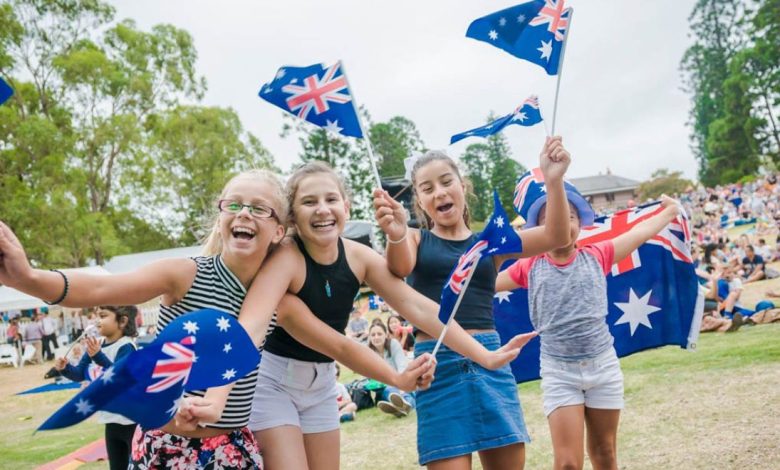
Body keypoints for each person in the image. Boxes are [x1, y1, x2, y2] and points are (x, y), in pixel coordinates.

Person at [0, 169, 435, 470]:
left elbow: (340, 346)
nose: (245, 213)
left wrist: (398, 379)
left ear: (279, 230)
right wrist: (29, 278)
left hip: (233, 448)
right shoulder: (185, 273)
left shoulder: (277, 300)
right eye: (235, 205)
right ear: (222, 214)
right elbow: (100, 288)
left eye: (260, 209)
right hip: (166, 446)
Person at [190, 161, 533, 470]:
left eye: (331, 199)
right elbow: (252, 326)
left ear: (346, 206)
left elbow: (419, 307)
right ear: (291, 217)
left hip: (322, 383)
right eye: (309, 202)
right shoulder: (287, 258)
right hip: (274, 382)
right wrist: (217, 395)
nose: (322, 209)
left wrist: (484, 355)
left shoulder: (359, 256)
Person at [372, 137, 572, 469]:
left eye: (446, 181)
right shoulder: (415, 238)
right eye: (427, 188)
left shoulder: (492, 241)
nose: (439, 192)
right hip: (437, 369)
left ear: (463, 186)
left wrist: (554, 181)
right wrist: (395, 233)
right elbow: (400, 267)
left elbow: (556, 236)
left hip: (489, 360)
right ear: (419, 201)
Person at [496, 190, 684, 470]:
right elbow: (484, 285)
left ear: (580, 224)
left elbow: (640, 233)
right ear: (539, 231)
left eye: (569, 216)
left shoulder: (599, 254)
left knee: (605, 453)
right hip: (559, 373)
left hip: (603, 368)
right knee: (568, 464)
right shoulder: (529, 266)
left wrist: (670, 211)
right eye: (550, 219)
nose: (562, 223)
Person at [55, 306, 139, 470]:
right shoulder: (97, 345)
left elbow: (119, 377)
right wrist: (64, 368)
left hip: (131, 422)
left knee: (136, 466)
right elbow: (80, 373)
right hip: (111, 419)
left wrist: (98, 356)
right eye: (96, 316)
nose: (97, 321)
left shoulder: (126, 347)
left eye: (103, 316)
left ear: (122, 321)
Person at [367, 320, 415, 418]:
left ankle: (401, 406)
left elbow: (402, 367)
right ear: (370, 337)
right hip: (383, 387)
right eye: (373, 335)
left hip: (401, 382)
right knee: (388, 390)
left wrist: (401, 386)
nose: (376, 337)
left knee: (406, 393)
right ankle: (403, 406)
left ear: (386, 335)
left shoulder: (393, 344)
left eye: (379, 334)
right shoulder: (368, 351)